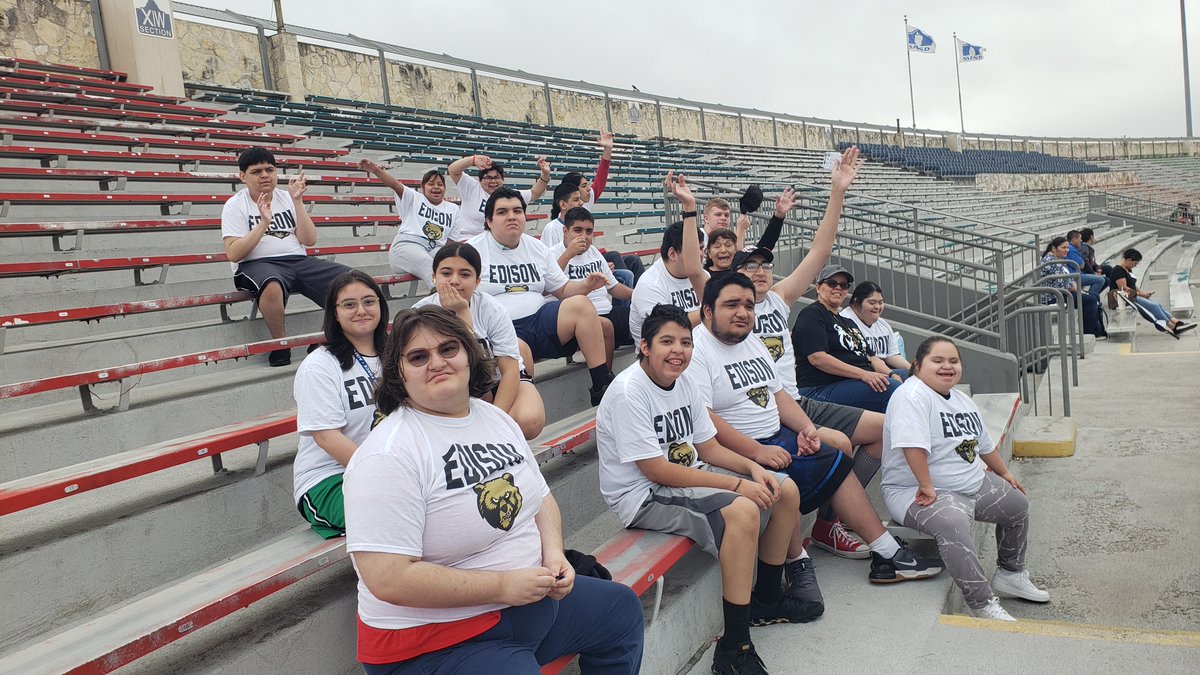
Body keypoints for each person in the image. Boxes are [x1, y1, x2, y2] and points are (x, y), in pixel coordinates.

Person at [344, 306, 644, 673]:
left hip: (528, 605)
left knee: (620, 610)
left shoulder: (495, 418)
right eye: (418, 357)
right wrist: (501, 586)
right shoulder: (388, 454)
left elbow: (540, 498)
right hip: (438, 640)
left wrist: (553, 554)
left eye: (448, 349)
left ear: (469, 355)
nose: (437, 362)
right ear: (398, 374)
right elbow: (387, 578)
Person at [597, 304, 811, 675]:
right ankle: (734, 647)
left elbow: (707, 446)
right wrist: (735, 484)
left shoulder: (686, 382)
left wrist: (752, 468)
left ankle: (768, 599)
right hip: (643, 495)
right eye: (667, 341)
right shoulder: (629, 391)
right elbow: (657, 470)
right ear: (645, 346)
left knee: (785, 490)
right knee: (743, 508)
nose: (678, 350)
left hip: (685, 473)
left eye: (685, 341)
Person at [690, 273, 943, 586]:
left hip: (776, 435)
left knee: (832, 452)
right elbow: (704, 419)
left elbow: (779, 395)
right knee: (816, 465)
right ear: (707, 311)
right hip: (740, 450)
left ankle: (871, 545)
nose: (743, 312)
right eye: (731, 304)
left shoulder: (751, 341)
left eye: (748, 305)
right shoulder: (697, 351)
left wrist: (806, 428)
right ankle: (883, 552)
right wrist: (757, 451)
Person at [734, 148, 887, 561]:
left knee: (884, 428)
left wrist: (837, 193)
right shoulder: (728, 315)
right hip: (769, 410)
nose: (761, 271)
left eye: (765, 265)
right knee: (837, 444)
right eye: (749, 267)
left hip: (798, 401)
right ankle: (831, 524)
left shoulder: (779, 299)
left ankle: (830, 520)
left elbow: (819, 252)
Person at [882, 336, 1051, 621]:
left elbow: (983, 445)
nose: (947, 366)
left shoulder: (959, 398)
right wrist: (926, 485)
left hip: (969, 482)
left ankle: (1011, 573)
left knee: (1017, 505)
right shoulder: (912, 396)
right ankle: (981, 602)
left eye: (953, 361)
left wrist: (1005, 474)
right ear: (917, 365)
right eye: (938, 361)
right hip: (915, 490)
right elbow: (912, 447)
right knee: (952, 522)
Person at [467, 188, 615, 405]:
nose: (511, 216)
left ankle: (601, 385)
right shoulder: (473, 251)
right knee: (518, 349)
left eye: (517, 211)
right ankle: (522, 410)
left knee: (581, 305)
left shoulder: (536, 247)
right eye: (502, 212)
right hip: (498, 328)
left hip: (539, 321)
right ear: (489, 221)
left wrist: (587, 285)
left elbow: (562, 290)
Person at [221, 146, 351, 367]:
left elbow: (309, 240)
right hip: (255, 264)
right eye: (256, 171)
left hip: (297, 260)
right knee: (271, 285)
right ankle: (280, 344)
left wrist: (298, 202)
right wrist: (263, 223)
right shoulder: (235, 205)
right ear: (243, 176)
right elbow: (234, 253)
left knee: (351, 281)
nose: (265, 175)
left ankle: (324, 339)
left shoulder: (287, 198)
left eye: (270, 169)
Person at [414, 242, 547, 439]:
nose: (455, 281)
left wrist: (494, 420)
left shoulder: (492, 309)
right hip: (455, 384)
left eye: (465, 274)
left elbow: (509, 370)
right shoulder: (420, 314)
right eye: (446, 273)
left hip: (500, 378)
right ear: (434, 277)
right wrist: (461, 316)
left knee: (528, 421)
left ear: (477, 281)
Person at [293, 270, 389, 539]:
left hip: (391, 472)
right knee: (397, 512)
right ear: (334, 313)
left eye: (369, 301)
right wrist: (384, 475)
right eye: (349, 304)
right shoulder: (319, 366)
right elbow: (326, 437)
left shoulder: (395, 354)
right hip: (330, 479)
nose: (361, 310)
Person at [793, 265, 905, 413]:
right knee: (893, 389)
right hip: (820, 387)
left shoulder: (848, 322)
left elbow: (873, 358)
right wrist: (864, 374)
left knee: (914, 378)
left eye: (844, 285)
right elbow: (818, 359)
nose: (838, 288)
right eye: (832, 283)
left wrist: (893, 374)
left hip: (853, 381)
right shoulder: (812, 314)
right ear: (818, 287)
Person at [629, 172, 706, 344]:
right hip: (663, 360)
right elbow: (669, 330)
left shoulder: (702, 275)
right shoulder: (650, 284)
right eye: (694, 249)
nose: (700, 254)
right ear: (672, 254)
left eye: (701, 249)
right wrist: (711, 311)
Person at [359, 158, 459, 289]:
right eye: (431, 184)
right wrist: (375, 170)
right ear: (423, 187)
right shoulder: (415, 198)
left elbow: (451, 241)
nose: (436, 187)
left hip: (434, 249)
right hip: (407, 247)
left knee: (452, 263)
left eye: (440, 184)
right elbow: (395, 184)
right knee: (429, 264)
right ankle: (443, 295)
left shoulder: (453, 208)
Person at [549, 207, 634, 349]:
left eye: (589, 231)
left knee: (649, 320)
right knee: (604, 327)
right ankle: (605, 371)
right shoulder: (552, 254)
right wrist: (568, 255)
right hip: (577, 317)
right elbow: (549, 287)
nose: (584, 236)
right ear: (565, 231)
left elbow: (613, 287)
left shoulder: (593, 251)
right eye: (578, 230)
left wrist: (638, 294)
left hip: (606, 310)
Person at [448, 154, 552, 239]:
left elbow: (534, 193)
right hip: (469, 240)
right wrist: (473, 159)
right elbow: (453, 170)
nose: (493, 181)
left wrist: (545, 175)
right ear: (480, 180)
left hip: (497, 243)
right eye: (488, 177)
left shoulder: (509, 195)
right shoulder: (472, 188)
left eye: (496, 177)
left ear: (502, 180)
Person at [1108, 248, 1196, 337]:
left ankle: (1178, 323)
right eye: (1135, 263)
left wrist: (1143, 292)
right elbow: (1124, 289)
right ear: (1129, 260)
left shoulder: (1127, 269)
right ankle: (1172, 327)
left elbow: (1133, 285)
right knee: (1154, 306)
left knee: (1158, 305)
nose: (1135, 266)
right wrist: (1142, 294)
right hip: (1123, 300)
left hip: (1130, 298)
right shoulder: (1118, 270)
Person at [1038, 237, 1104, 338]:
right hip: (1053, 296)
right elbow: (1067, 286)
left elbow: (1068, 282)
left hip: (1062, 292)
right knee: (1090, 299)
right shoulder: (1051, 262)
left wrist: (1078, 289)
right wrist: (1079, 290)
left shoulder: (1058, 259)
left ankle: (1098, 331)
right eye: (1063, 248)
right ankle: (1089, 333)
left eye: (1067, 248)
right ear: (1054, 248)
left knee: (1094, 296)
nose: (1067, 250)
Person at [841, 281, 911, 372]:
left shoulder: (883, 325)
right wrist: (892, 375)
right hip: (860, 373)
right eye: (872, 302)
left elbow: (892, 355)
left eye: (880, 302)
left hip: (883, 371)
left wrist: (913, 370)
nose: (877, 307)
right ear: (857, 302)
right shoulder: (844, 321)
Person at [1065, 230, 1106, 299]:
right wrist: (1093, 272)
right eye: (1080, 238)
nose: (1081, 240)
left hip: (1078, 273)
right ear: (1074, 239)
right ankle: (1090, 297)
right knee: (1100, 280)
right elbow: (1082, 265)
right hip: (1075, 276)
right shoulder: (1071, 250)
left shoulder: (1074, 248)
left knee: (1104, 274)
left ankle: (1091, 297)